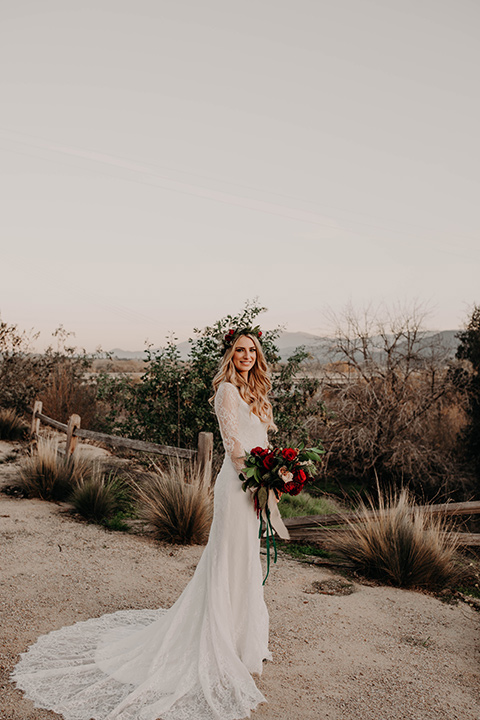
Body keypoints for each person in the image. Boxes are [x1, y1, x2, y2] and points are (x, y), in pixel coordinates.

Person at [12, 327, 277, 720]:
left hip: (253, 487)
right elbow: (233, 445)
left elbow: (262, 442)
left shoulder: (258, 394)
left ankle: (242, 639)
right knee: (227, 557)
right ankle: (216, 640)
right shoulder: (226, 392)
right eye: (240, 350)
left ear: (258, 355)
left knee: (246, 558)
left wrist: (274, 472)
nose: (246, 356)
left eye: (251, 350)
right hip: (237, 484)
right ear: (230, 354)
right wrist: (261, 476)